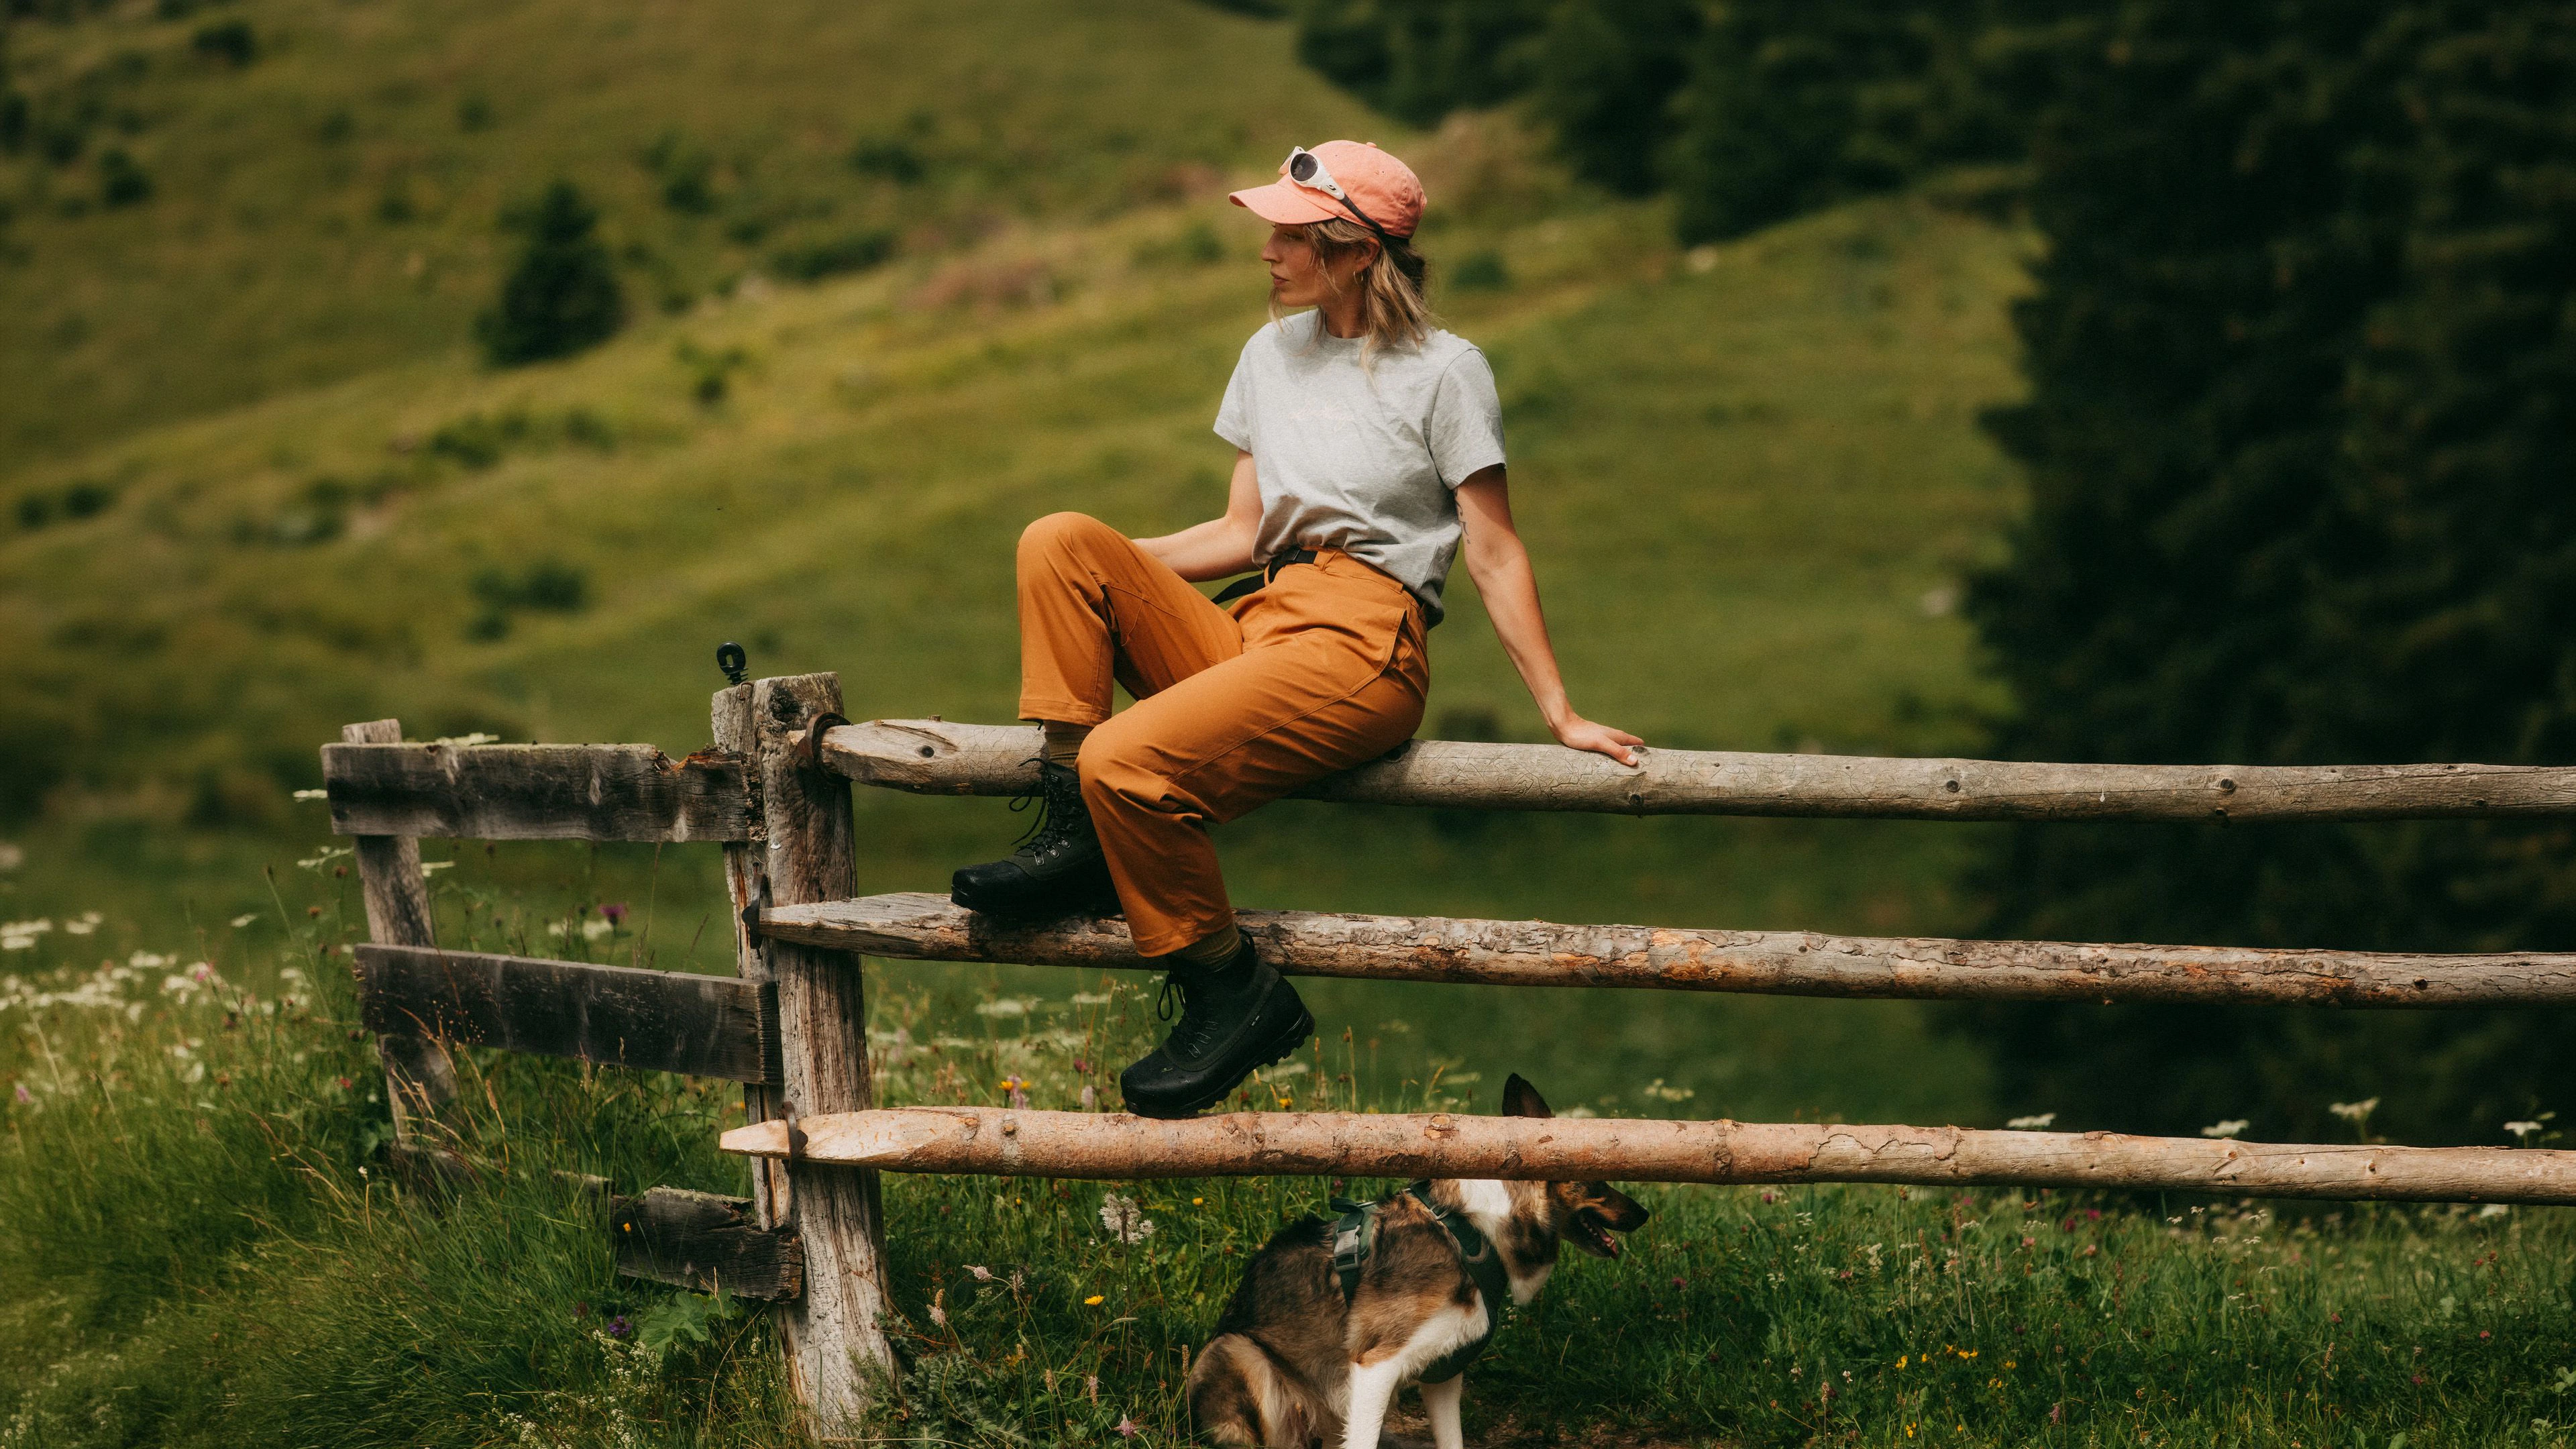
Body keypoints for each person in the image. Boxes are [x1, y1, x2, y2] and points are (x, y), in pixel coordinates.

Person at [951, 140, 1643, 1118]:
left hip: (1363, 644)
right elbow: (1242, 532)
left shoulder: (1447, 373)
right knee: (1059, 540)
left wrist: (1561, 711)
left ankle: (1232, 989)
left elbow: (1493, 551)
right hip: (1262, 616)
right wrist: (1100, 570)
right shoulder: (1270, 354)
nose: (1268, 250)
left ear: (1355, 249)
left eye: (1289, 233)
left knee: (1129, 761)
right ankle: (1079, 839)